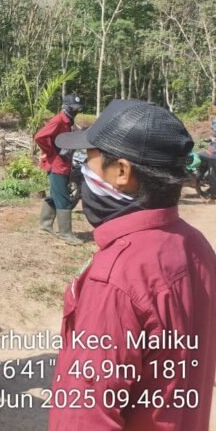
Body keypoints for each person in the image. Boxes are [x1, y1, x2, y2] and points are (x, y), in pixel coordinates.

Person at [49, 99, 216, 431]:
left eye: (89, 158)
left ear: (122, 172)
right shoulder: (197, 245)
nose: (81, 167)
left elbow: (85, 417)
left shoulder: (115, 278)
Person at [34, 93, 85, 245]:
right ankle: (66, 234)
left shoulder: (68, 122)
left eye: (78, 109)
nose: (76, 111)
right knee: (63, 198)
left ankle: (45, 224)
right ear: (66, 107)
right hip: (57, 164)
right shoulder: (58, 120)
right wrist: (51, 151)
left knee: (56, 193)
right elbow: (39, 136)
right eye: (74, 108)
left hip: (63, 163)